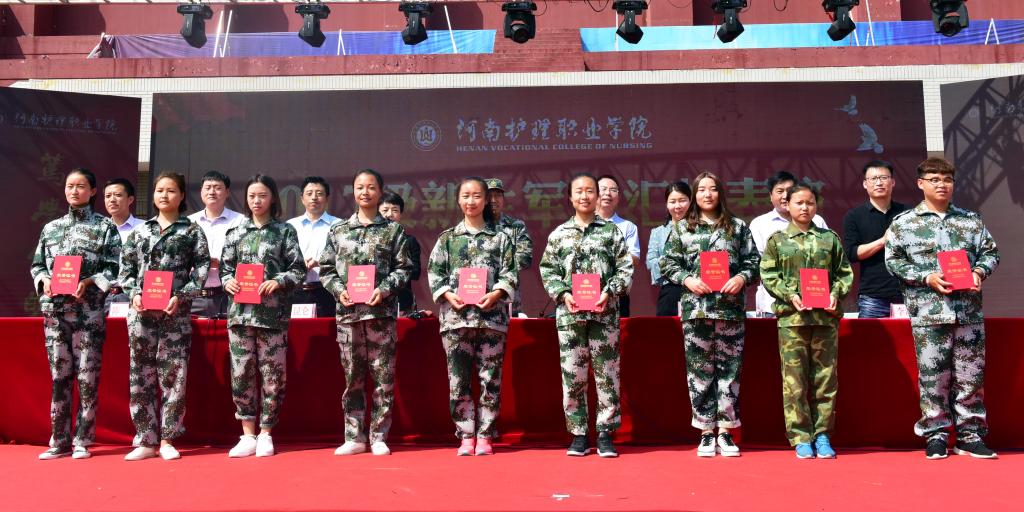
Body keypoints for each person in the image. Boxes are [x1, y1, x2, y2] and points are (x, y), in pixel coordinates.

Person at [885, 157, 1000, 459]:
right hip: (929, 312)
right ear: (921, 183)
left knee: (970, 376)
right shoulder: (904, 223)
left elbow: (990, 253)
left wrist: (979, 272)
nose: (942, 185)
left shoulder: (970, 220)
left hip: (968, 312)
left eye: (947, 179)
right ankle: (935, 434)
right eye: (934, 179)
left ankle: (970, 435)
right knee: (933, 377)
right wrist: (926, 277)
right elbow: (893, 261)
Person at [661, 172, 759, 457]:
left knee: (730, 371)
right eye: (701, 189)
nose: (707, 194)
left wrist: (741, 277)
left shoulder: (737, 227)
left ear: (720, 193)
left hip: (730, 310)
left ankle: (726, 431)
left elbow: (754, 261)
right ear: (695, 195)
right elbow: (668, 263)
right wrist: (687, 279)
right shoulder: (683, 228)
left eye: (712, 189)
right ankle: (705, 431)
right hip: (697, 309)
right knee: (699, 371)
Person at [319, 169, 415, 456]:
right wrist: (339, 290)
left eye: (371, 187)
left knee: (383, 378)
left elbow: (404, 269)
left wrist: (383, 290)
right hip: (348, 315)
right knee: (352, 378)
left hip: (380, 315)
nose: (365, 192)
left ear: (380, 191)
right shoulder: (338, 230)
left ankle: (379, 436)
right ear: (353, 191)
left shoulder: (393, 231)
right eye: (360, 187)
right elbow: (326, 269)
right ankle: (354, 436)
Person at [539, 173, 633, 458]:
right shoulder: (559, 234)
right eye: (579, 191)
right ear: (570, 197)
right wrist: (562, 293)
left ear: (597, 196)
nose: (585, 196)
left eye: (590, 191)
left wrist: (610, 291)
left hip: (604, 314)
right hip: (570, 316)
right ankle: (578, 433)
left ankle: (605, 433)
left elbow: (625, 268)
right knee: (573, 374)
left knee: (608, 374)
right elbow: (548, 270)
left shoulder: (611, 232)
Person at [118, 172, 210, 460]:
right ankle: (146, 439)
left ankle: (168, 439)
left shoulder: (192, 231)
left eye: (171, 191)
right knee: (140, 375)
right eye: (159, 190)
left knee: (174, 375)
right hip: (141, 316)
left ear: (181, 196)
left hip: (174, 315)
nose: (164, 195)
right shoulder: (140, 232)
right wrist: (133, 293)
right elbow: (126, 271)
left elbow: (201, 272)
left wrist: (180, 296)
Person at [31, 168, 121, 460]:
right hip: (55, 313)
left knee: (87, 375)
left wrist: (90, 281)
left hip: (88, 313)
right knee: (59, 375)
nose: (74, 191)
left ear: (92, 191)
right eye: (70, 186)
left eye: (81, 186)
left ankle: (83, 438)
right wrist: (44, 280)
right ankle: (59, 440)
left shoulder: (105, 227)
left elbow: (115, 268)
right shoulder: (51, 228)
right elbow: (37, 265)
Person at [760, 184, 853, 459]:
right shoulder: (777, 240)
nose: (804, 208)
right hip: (793, 320)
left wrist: (835, 293)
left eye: (810, 203)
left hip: (825, 319)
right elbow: (769, 275)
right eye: (799, 203)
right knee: (795, 381)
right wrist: (790, 295)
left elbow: (844, 272)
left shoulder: (829, 238)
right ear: (787, 205)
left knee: (826, 379)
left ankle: (822, 435)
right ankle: (801, 436)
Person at [428, 177, 517, 456]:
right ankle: (466, 434)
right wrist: (447, 294)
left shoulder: (501, 238)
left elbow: (510, 273)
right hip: (456, 320)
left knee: (490, 379)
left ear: (486, 199)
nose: (471, 201)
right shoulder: (447, 239)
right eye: (465, 195)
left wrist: (497, 293)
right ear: (458, 200)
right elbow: (435, 273)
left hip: (491, 320)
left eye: (477, 195)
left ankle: (486, 435)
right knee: (459, 379)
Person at [222, 175, 306, 458]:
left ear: (272, 198)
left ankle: (267, 432)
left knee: (273, 374)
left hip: (272, 316)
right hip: (240, 316)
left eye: (262, 195)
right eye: (251, 196)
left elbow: (298, 269)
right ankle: (247, 434)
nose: (256, 201)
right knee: (241, 373)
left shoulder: (284, 232)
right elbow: (225, 269)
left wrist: (278, 281)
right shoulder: (235, 232)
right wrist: (227, 282)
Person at [749, 171, 828, 317]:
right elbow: (759, 265)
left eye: (790, 191)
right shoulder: (759, 224)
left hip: (815, 302)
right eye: (780, 191)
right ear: (771, 196)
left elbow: (828, 261)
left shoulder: (817, 221)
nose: (785, 196)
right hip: (775, 305)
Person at [841, 160, 909, 318]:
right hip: (873, 296)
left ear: (893, 182)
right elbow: (852, 253)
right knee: (869, 335)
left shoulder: (907, 213)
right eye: (873, 179)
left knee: (908, 335)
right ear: (865, 184)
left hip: (907, 293)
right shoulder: (854, 216)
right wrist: (883, 241)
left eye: (884, 178)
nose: (879, 183)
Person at [188, 171, 243, 318]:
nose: (212, 192)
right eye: (207, 187)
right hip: (193, 297)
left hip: (227, 295)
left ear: (227, 192)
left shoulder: (241, 222)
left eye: (217, 188)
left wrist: (223, 264)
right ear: (201, 191)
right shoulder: (188, 223)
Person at [287, 176, 340, 318]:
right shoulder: (290, 226)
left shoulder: (339, 226)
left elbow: (346, 261)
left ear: (327, 198)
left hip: (327, 291)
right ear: (302, 198)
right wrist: (298, 264)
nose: (314, 197)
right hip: (295, 291)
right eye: (309, 193)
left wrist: (323, 263)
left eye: (319, 193)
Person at [486, 178, 533, 317]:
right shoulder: (474, 226)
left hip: (508, 297)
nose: (493, 200)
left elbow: (524, 258)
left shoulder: (516, 226)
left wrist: (498, 272)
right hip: (479, 294)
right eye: (489, 196)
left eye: (498, 195)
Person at [596, 174, 640, 317]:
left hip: (618, 293)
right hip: (588, 291)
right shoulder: (582, 225)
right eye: (603, 189)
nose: (607, 193)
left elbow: (634, 259)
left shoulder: (628, 227)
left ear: (618, 198)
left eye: (613, 190)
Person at [646, 181, 692, 317]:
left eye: (682, 200)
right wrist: (674, 265)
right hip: (670, 290)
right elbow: (650, 261)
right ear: (666, 204)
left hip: (697, 288)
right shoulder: (658, 232)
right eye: (672, 201)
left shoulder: (701, 230)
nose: (677, 206)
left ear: (691, 202)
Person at [103, 178, 144, 312]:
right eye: (108, 196)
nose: (112, 200)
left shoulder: (145, 228)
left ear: (130, 199)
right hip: (102, 296)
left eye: (118, 195)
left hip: (134, 296)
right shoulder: (99, 229)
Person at [379, 191, 422, 316]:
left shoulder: (409, 241)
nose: (389, 214)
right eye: (385, 210)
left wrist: (399, 270)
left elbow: (416, 272)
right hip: (375, 301)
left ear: (401, 214)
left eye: (395, 210)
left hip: (402, 302)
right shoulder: (370, 242)